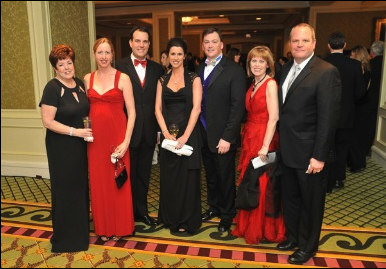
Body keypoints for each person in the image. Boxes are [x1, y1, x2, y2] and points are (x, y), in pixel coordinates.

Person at [276, 23, 341, 264]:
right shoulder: (285, 70)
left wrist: (319, 156)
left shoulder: (326, 71)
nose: (299, 45)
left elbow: (328, 118)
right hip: (288, 150)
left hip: (310, 154)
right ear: (290, 44)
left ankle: (308, 246)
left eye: (304, 40)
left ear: (314, 43)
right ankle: (294, 237)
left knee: (311, 203)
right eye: (295, 41)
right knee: (291, 199)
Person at [231, 46, 286, 244]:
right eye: (253, 60)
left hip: (265, 138)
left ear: (268, 64)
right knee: (250, 181)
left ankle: (263, 228)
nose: (256, 64)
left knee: (263, 184)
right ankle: (248, 224)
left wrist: (264, 146)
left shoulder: (270, 84)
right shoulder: (254, 83)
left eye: (261, 61)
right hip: (250, 136)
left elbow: (274, 117)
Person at [39, 44, 91, 252]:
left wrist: (87, 130)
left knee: (80, 189)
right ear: (55, 68)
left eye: (69, 63)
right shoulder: (52, 88)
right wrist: (74, 132)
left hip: (80, 145)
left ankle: (80, 234)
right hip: (61, 147)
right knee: (65, 190)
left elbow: (84, 112)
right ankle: (65, 239)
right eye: (62, 65)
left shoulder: (79, 84)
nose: (67, 68)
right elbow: (48, 122)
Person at [84, 38, 136, 241]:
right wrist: (87, 130)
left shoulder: (123, 78)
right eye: (100, 52)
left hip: (118, 138)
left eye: (107, 52)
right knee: (99, 184)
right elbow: (84, 110)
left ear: (112, 54)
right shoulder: (87, 78)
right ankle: (104, 227)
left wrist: (126, 142)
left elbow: (132, 113)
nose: (104, 57)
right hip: (95, 141)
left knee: (118, 183)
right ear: (94, 54)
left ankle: (121, 227)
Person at [196, 27, 246, 232]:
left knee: (225, 177)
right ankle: (214, 207)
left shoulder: (234, 70)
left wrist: (228, 136)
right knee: (211, 175)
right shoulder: (199, 69)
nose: (210, 45)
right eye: (206, 42)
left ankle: (227, 213)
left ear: (222, 44)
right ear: (202, 45)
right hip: (203, 133)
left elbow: (238, 107)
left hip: (223, 136)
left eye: (214, 41)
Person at [116, 26, 164, 226]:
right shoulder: (118, 67)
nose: (141, 45)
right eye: (138, 41)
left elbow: (160, 102)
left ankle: (141, 211)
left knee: (144, 174)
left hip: (149, 131)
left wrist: (160, 130)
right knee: (128, 175)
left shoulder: (157, 69)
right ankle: (126, 213)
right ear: (130, 43)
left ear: (149, 44)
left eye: (145, 41)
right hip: (126, 131)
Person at [155, 37, 203, 234]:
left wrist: (185, 136)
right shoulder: (161, 80)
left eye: (179, 54)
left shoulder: (194, 78)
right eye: (172, 54)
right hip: (168, 138)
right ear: (167, 56)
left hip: (189, 135)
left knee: (187, 179)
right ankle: (170, 218)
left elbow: (197, 109)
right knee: (170, 178)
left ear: (185, 56)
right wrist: (166, 133)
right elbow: (157, 109)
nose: (175, 57)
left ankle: (186, 220)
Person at [324, 32, 366, 190]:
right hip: (346, 114)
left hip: (326, 114)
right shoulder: (354, 65)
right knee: (342, 148)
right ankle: (338, 180)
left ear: (328, 46)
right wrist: (349, 102)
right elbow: (360, 91)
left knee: (326, 147)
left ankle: (326, 179)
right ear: (345, 45)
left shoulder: (321, 63)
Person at [348, 45, 371, 172]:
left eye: (352, 54)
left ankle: (358, 163)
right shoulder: (367, 68)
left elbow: (359, 91)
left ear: (357, 54)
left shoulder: (359, 69)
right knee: (358, 135)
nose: (350, 57)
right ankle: (356, 161)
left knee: (354, 136)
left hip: (359, 106)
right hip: (363, 106)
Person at [363, 41, 384, 159]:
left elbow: (364, 84)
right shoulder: (384, 64)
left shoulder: (370, 64)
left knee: (368, 125)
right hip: (381, 100)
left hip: (369, 99)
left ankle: (366, 149)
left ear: (372, 52)